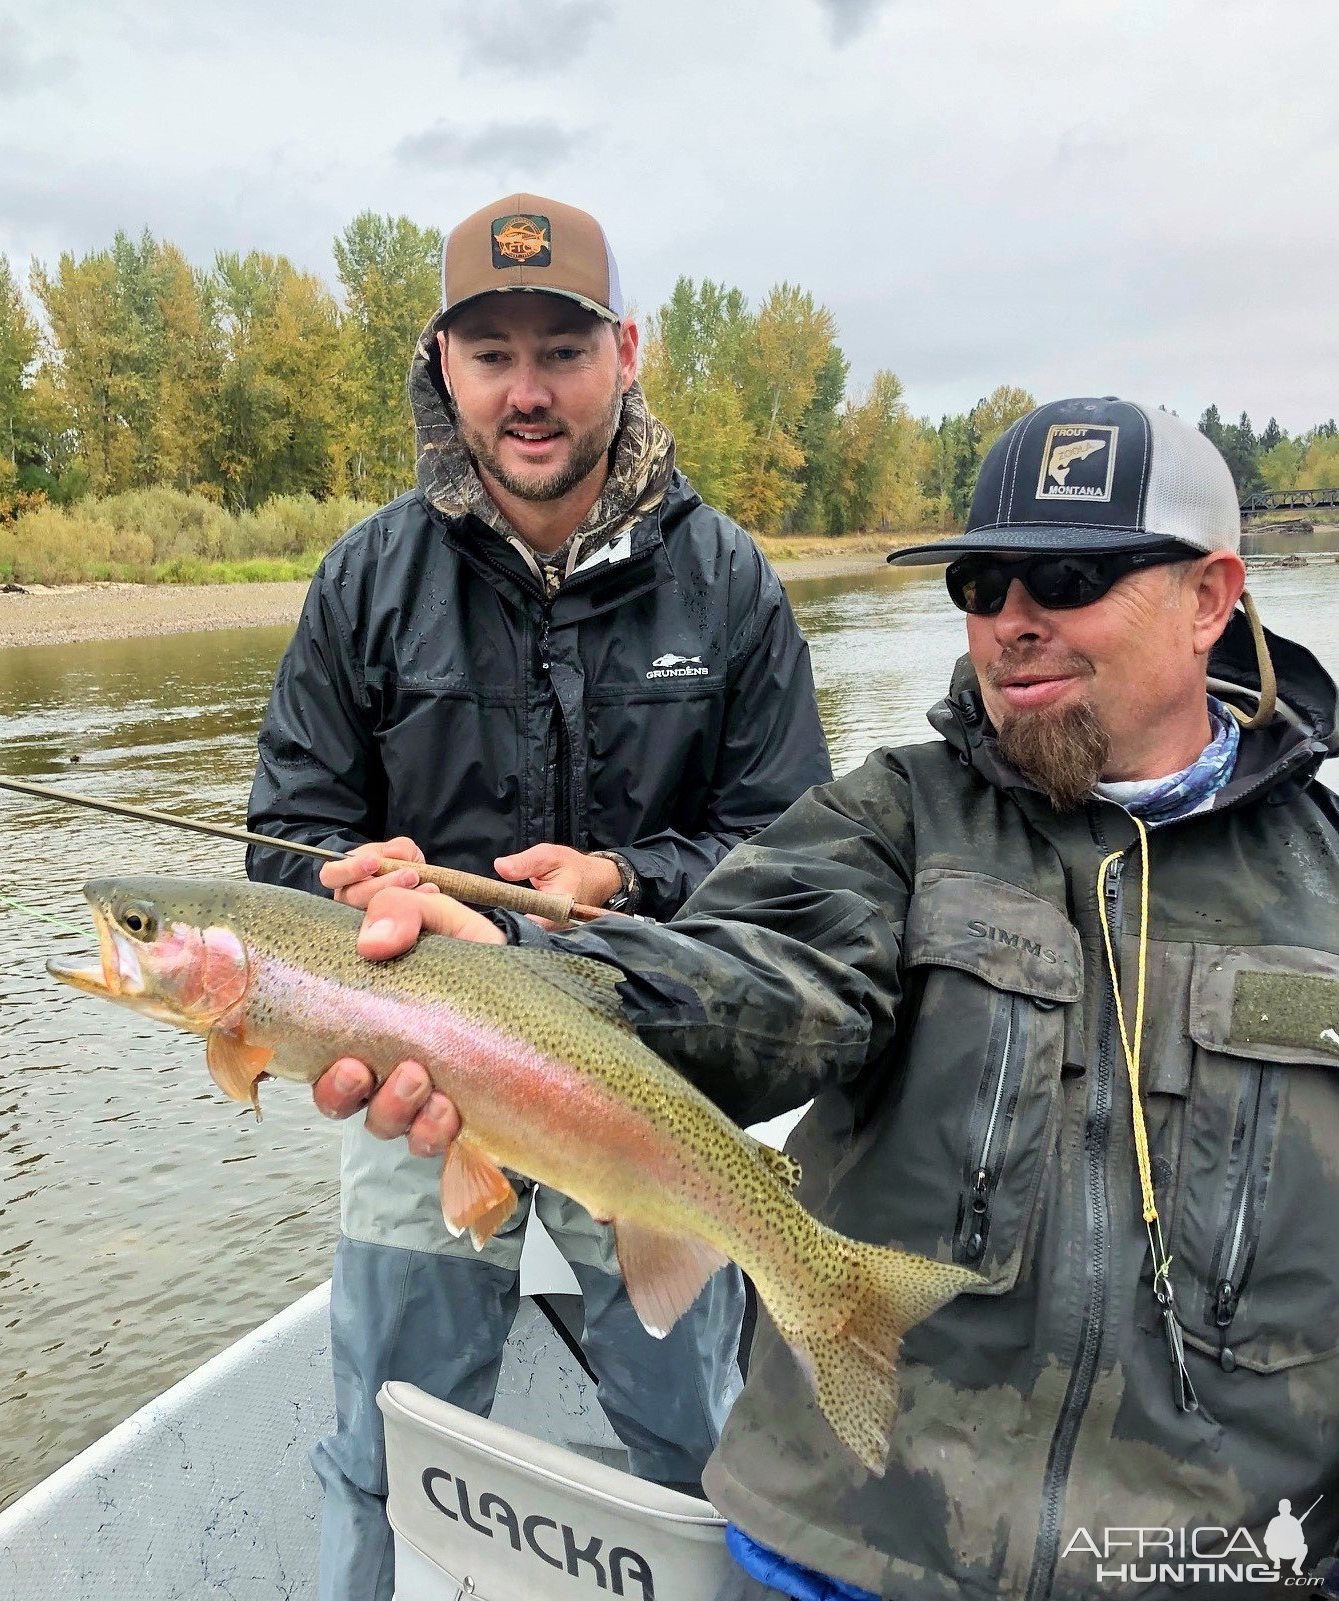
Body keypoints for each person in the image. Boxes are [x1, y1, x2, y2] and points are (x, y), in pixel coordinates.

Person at [315, 396, 1339, 1601]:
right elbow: (742, 976)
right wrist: (500, 971)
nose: (1012, 622)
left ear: (1213, 596)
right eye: (980, 582)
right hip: (856, 1548)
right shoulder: (897, 820)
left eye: (1067, 575)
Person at [246, 191, 831, 1601]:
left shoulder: (730, 584)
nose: (526, 389)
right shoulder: (365, 580)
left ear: (625, 352)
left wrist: (627, 882)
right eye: (492, 351)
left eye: (559, 349)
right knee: (386, 1441)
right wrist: (346, 882)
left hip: (638, 1073)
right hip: (414, 1078)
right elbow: (281, 844)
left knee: (697, 1440)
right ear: (442, 364)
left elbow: (798, 859)